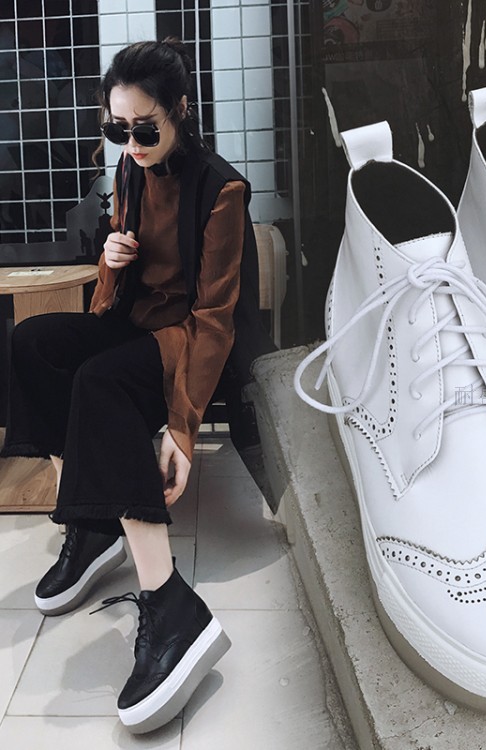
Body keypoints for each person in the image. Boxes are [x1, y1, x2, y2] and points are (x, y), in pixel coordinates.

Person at [0, 39, 273, 734]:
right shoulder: (129, 169)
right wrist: (111, 259)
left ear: (181, 109)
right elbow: (114, 292)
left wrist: (182, 424)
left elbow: (214, 318)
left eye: (145, 129)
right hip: (134, 326)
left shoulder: (221, 190)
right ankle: (93, 524)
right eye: (116, 128)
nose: (131, 143)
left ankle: (171, 603)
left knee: (99, 382)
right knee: (32, 345)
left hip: (187, 342)